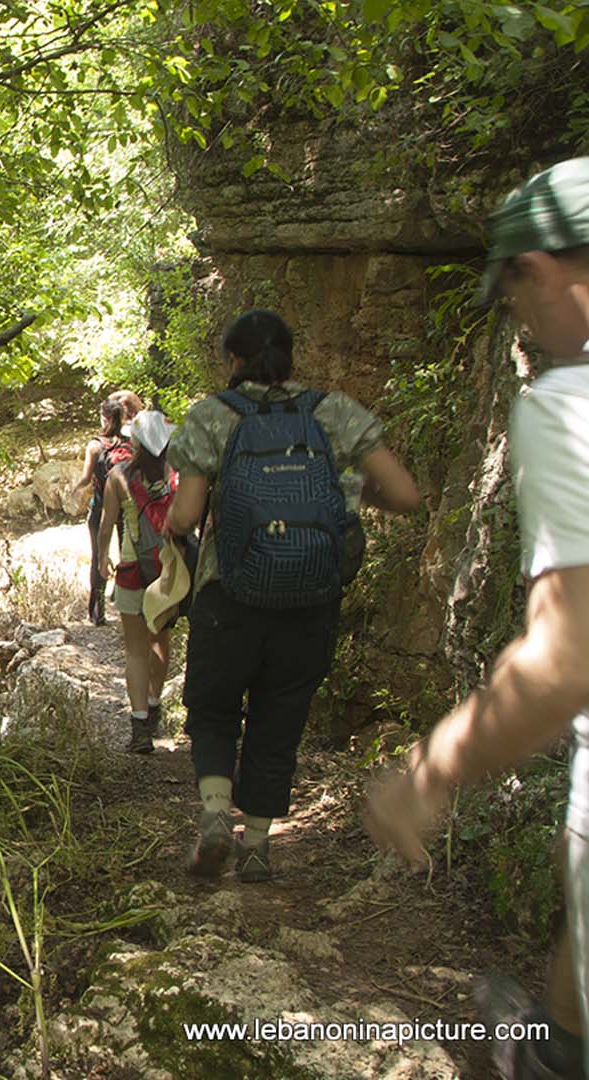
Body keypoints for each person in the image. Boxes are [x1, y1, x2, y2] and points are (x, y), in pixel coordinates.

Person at [365, 156, 589, 1080]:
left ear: (538, 269)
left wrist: (431, 769)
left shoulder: (568, 404)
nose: (520, 327)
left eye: (510, 297)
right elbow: (411, 497)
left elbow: (569, 657)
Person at [165, 309, 420, 882]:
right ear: (290, 357)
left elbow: (185, 514)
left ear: (232, 361)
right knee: (280, 717)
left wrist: (175, 530)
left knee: (213, 706)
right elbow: (406, 494)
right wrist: (346, 493)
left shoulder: (212, 416)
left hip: (228, 595)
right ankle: (257, 846)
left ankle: (213, 816)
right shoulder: (334, 412)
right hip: (311, 598)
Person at [98, 409, 177, 753]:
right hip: (170, 571)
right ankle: (155, 703)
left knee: (134, 649)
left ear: (135, 442)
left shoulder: (118, 475)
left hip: (132, 570)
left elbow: (106, 524)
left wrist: (102, 557)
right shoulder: (178, 474)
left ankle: (140, 726)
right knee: (160, 639)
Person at [72, 400, 130, 625]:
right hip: (126, 507)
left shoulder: (95, 445)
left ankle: (97, 612)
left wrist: (74, 489)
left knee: (99, 555)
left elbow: (87, 478)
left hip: (100, 507)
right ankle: (124, 602)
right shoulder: (131, 443)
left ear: (104, 417)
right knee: (128, 555)